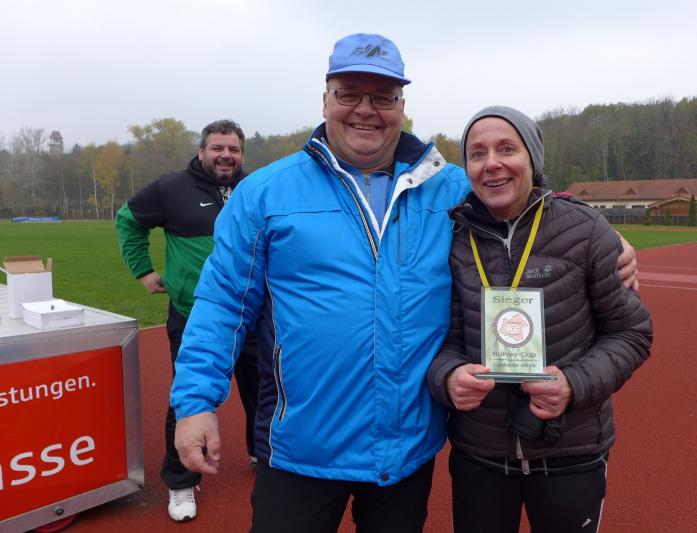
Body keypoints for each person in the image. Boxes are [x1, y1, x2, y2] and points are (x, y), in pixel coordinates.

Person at [170, 35, 640, 533]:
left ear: (401, 106)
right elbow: (222, 302)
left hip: (403, 450)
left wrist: (600, 229)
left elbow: (527, 203)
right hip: (301, 446)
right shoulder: (265, 193)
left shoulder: (451, 187)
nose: (365, 110)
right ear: (326, 100)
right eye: (350, 93)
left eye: (383, 97)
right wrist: (196, 402)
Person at [426, 106, 653, 533]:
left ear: (533, 159)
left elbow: (631, 332)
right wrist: (449, 376)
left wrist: (573, 384)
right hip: (480, 454)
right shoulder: (452, 240)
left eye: (506, 149)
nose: (492, 163)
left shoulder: (586, 231)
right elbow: (443, 339)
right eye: (477, 153)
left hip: (570, 452)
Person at [115, 119, 259, 522]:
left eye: (233, 149)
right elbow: (127, 220)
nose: (226, 155)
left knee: (264, 390)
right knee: (190, 397)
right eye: (218, 148)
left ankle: (262, 453)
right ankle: (180, 481)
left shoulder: (254, 189)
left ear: (241, 154)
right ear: (201, 151)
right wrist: (143, 271)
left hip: (253, 314)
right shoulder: (170, 188)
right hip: (196, 316)